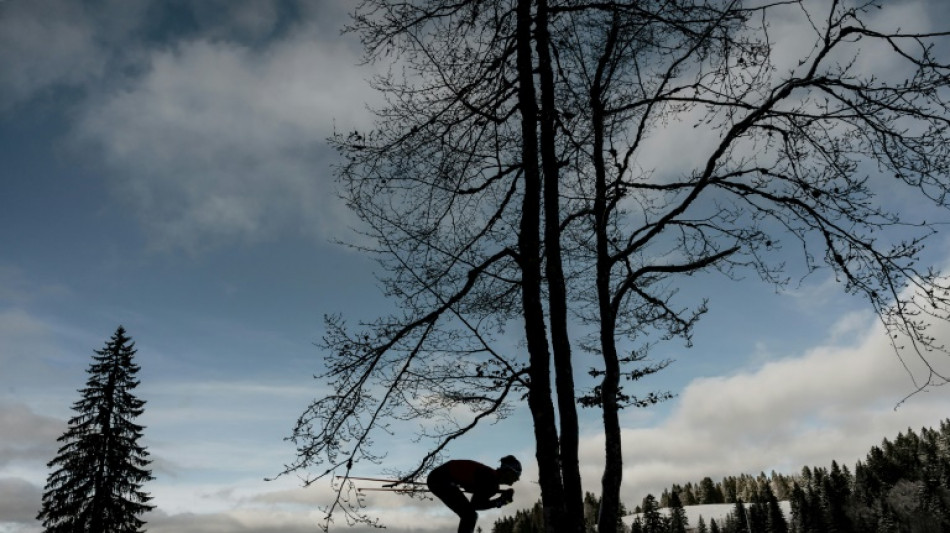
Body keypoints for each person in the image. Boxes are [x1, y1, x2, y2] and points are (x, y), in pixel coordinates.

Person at [426, 455, 521, 533]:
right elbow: (476, 505)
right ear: (507, 471)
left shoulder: (490, 477)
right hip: (440, 479)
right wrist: (500, 501)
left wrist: (500, 500)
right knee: (470, 516)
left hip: (441, 477)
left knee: (469, 515)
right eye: (516, 475)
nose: (517, 479)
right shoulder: (491, 481)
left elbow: (478, 490)